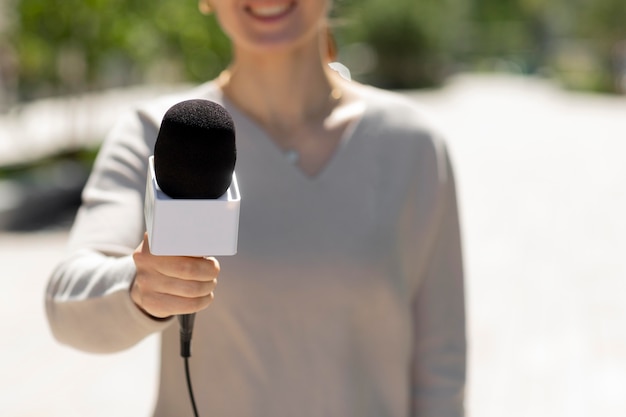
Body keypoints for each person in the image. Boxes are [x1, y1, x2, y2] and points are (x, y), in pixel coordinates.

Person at [45, 1, 467, 416]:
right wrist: (139, 288)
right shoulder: (157, 133)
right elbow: (65, 305)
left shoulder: (412, 145)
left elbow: (441, 363)